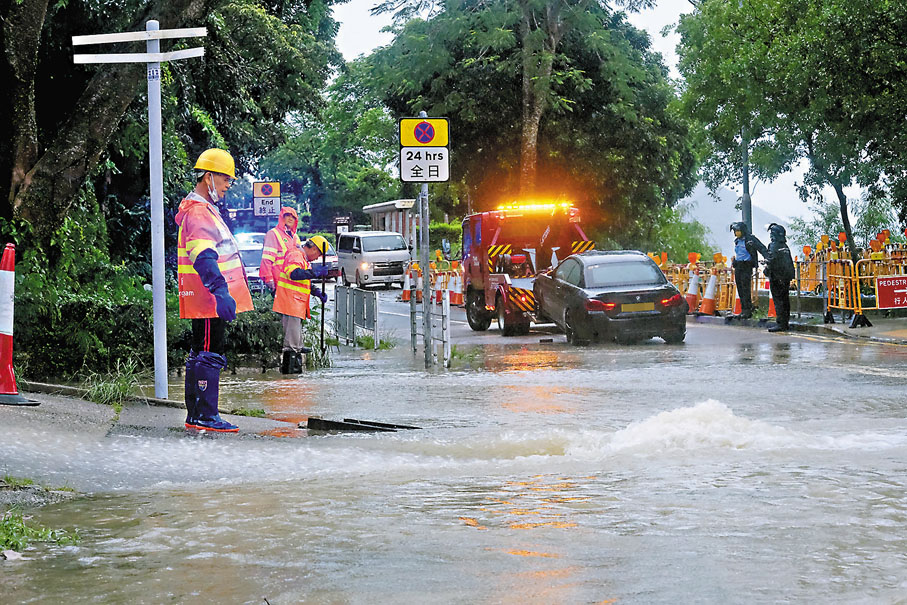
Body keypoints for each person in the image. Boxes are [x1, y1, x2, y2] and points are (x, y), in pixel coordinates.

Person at [175, 148, 253, 432]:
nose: (228, 185)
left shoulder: (203, 211)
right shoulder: (199, 213)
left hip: (205, 296)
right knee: (209, 352)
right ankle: (205, 417)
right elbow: (204, 256)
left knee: (201, 352)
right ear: (209, 177)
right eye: (225, 179)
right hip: (209, 298)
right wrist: (221, 292)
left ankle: (196, 417)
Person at [274, 235, 330, 373]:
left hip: (294, 304)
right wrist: (314, 272)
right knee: (291, 344)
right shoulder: (295, 255)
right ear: (313, 248)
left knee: (296, 342)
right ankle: (290, 377)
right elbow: (294, 274)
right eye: (319, 254)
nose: (317, 258)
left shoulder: (301, 258)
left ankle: (295, 376)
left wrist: (316, 291)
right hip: (290, 303)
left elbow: (303, 280)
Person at [729, 221, 767, 319]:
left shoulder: (750, 239)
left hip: (747, 265)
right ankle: (743, 309)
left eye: (737, 231)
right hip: (738, 265)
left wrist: (767, 258)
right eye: (735, 231)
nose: (736, 233)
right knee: (740, 288)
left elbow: (761, 248)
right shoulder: (737, 241)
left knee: (746, 288)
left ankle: (747, 310)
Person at [260, 207, 302, 293]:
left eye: (293, 217)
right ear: (282, 217)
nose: (290, 218)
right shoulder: (273, 234)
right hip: (278, 282)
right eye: (287, 216)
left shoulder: (295, 237)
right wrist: (268, 279)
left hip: (292, 282)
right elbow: (267, 259)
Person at [764, 223, 796, 332]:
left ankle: (781, 324)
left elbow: (771, 260)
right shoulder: (785, 247)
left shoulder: (774, 246)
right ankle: (785, 323)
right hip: (786, 277)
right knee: (785, 300)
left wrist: (766, 270)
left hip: (777, 277)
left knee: (779, 301)